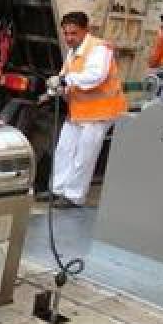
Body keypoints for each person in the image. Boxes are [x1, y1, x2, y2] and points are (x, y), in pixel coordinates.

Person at [39, 11, 127, 208]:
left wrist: (63, 80)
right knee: (64, 150)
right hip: (79, 111)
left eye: (74, 33)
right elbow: (66, 76)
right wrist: (53, 91)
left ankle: (74, 197)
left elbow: (95, 76)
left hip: (101, 112)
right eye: (66, 33)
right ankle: (57, 189)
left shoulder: (99, 49)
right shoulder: (73, 52)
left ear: (85, 31)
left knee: (84, 156)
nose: (69, 38)